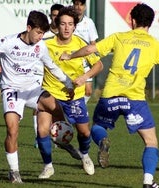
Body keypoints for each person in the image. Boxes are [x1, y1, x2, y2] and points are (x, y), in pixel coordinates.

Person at [60, 3, 159, 188]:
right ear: (150, 23)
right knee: (151, 142)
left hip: (110, 96)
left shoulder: (119, 37)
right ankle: (148, 182)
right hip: (135, 100)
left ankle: (103, 141)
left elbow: (90, 50)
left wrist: (70, 56)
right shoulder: (155, 45)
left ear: (132, 21)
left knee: (97, 127)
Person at [0, 10, 74, 184]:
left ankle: (62, 140)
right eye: (38, 32)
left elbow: (51, 66)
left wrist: (68, 83)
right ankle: (14, 171)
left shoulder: (40, 46)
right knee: (12, 130)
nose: (40, 37)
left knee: (55, 107)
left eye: (43, 33)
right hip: (12, 90)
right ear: (28, 28)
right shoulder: (9, 42)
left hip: (32, 90)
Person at [39, 6, 103, 178]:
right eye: (63, 24)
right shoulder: (46, 44)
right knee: (42, 130)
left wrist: (85, 77)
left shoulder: (80, 43)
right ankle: (48, 166)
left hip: (74, 95)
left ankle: (85, 155)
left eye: (70, 24)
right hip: (50, 92)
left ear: (75, 26)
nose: (66, 28)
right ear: (56, 25)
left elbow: (99, 65)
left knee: (84, 132)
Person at [32, 4, 64, 149]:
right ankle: (38, 137)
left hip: (58, 71)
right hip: (42, 73)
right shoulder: (45, 32)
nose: (56, 18)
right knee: (38, 105)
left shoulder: (65, 33)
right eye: (54, 15)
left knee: (57, 107)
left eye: (59, 15)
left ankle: (58, 135)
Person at [72, 0, 99, 104]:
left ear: (85, 7)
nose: (79, 7)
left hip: (85, 60)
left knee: (88, 91)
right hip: (71, 59)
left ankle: (79, 111)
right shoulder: (69, 21)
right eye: (76, 4)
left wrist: (93, 58)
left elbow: (93, 42)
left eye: (81, 4)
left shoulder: (89, 22)